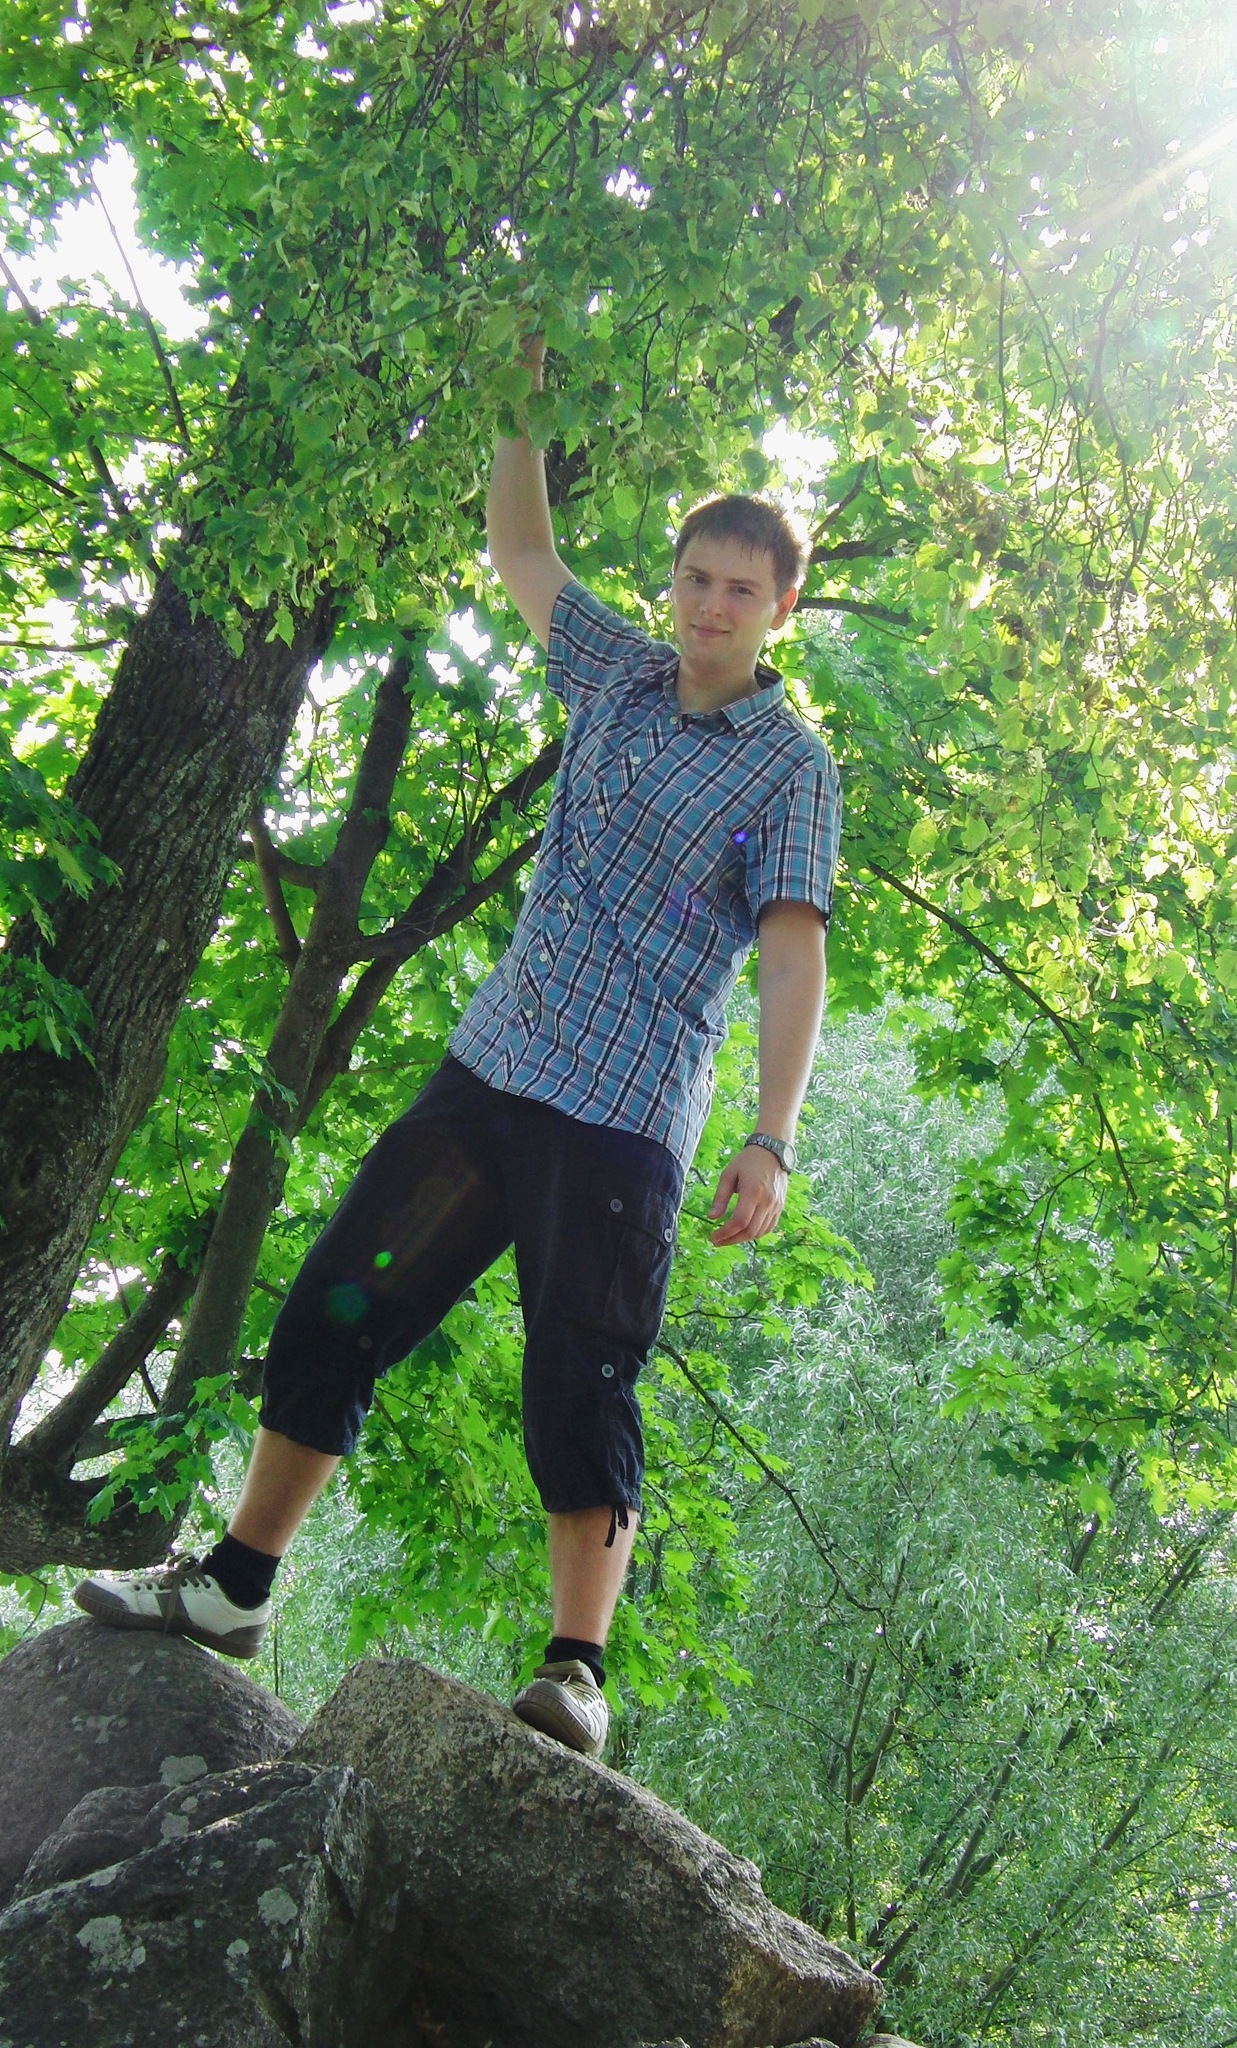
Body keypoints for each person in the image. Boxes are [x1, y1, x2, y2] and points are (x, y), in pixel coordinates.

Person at [73, 339, 841, 1759]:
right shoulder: (615, 672)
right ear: (674, 584)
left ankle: (576, 1672)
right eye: (696, 579)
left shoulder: (791, 770)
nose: (711, 605)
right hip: (490, 1072)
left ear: (780, 607)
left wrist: (771, 1137)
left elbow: (793, 954)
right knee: (333, 1312)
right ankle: (235, 1588)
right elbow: (522, 549)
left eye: (742, 590)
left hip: (620, 1112)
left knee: (577, 1379)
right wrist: (515, 401)